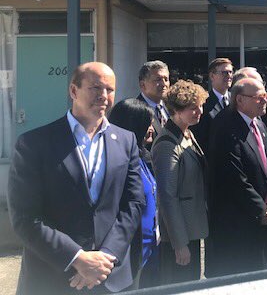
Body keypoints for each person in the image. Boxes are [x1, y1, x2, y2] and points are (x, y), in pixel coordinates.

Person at [8, 62, 144, 294]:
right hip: (52, 277)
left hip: (108, 276)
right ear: (73, 90)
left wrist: (105, 257)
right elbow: (24, 216)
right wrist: (78, 258)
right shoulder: (34, 143)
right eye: (95, 88)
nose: (104, 96)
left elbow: (134, 203)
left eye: (110, 89)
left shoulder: (126, 140)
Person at [211, 78, 267, 275]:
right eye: (259, 97)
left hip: (263, 216)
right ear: (240, 100)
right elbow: (234, 178)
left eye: (266, 95)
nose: (265, 100)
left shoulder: (259, 124)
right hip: (239, 222)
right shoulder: (226, 129)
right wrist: (260, 209)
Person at [151, 80, 209, 284]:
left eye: (200, 106)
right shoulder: (167, 144)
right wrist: (179, 243)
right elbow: (167, 196)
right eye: (192, 108)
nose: (199, 111)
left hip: (191, 227)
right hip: (180, 233)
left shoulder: (186, 133)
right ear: (176, 110)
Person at [109, 98, 161, 289]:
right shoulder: (117, 161)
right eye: (148, 124)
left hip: (150, 247)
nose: (151, 129)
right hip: (128, 253)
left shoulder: (143, 157)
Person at [192, 57, 233, 151]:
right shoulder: (203, 103)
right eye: (224, 72)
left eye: (230, 72)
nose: (229, 76)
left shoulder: (236, 100)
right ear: (212, 76)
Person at [137, 60, 171, 140]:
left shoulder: (172, 108)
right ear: (142, 84)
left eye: (166, 79)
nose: (164, 84)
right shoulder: (136, 111)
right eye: (158, 79)